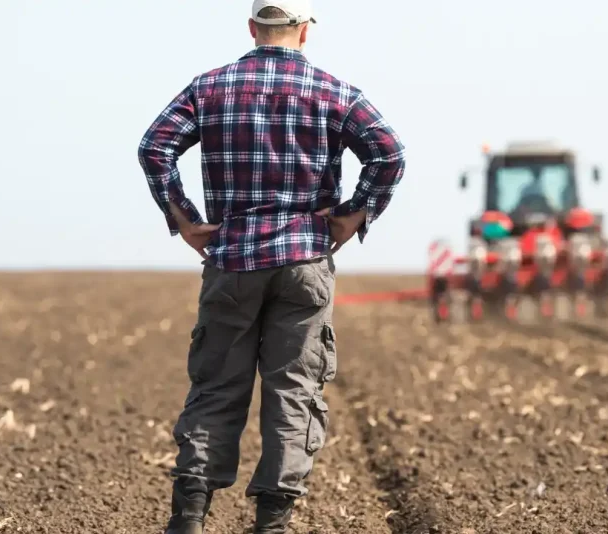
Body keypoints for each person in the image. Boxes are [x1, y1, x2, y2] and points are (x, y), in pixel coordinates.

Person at [136, 0, 406, 532]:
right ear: (305, 31)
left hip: (232, 259)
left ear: (253, 28)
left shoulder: (208, 87)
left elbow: (154, 147)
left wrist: (185, 219)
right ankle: (272, 523)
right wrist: (354, 215)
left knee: (216, 386)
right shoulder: (337, 92)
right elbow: (389, 153)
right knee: (294, 390)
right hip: (305, 259)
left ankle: (188, 520)